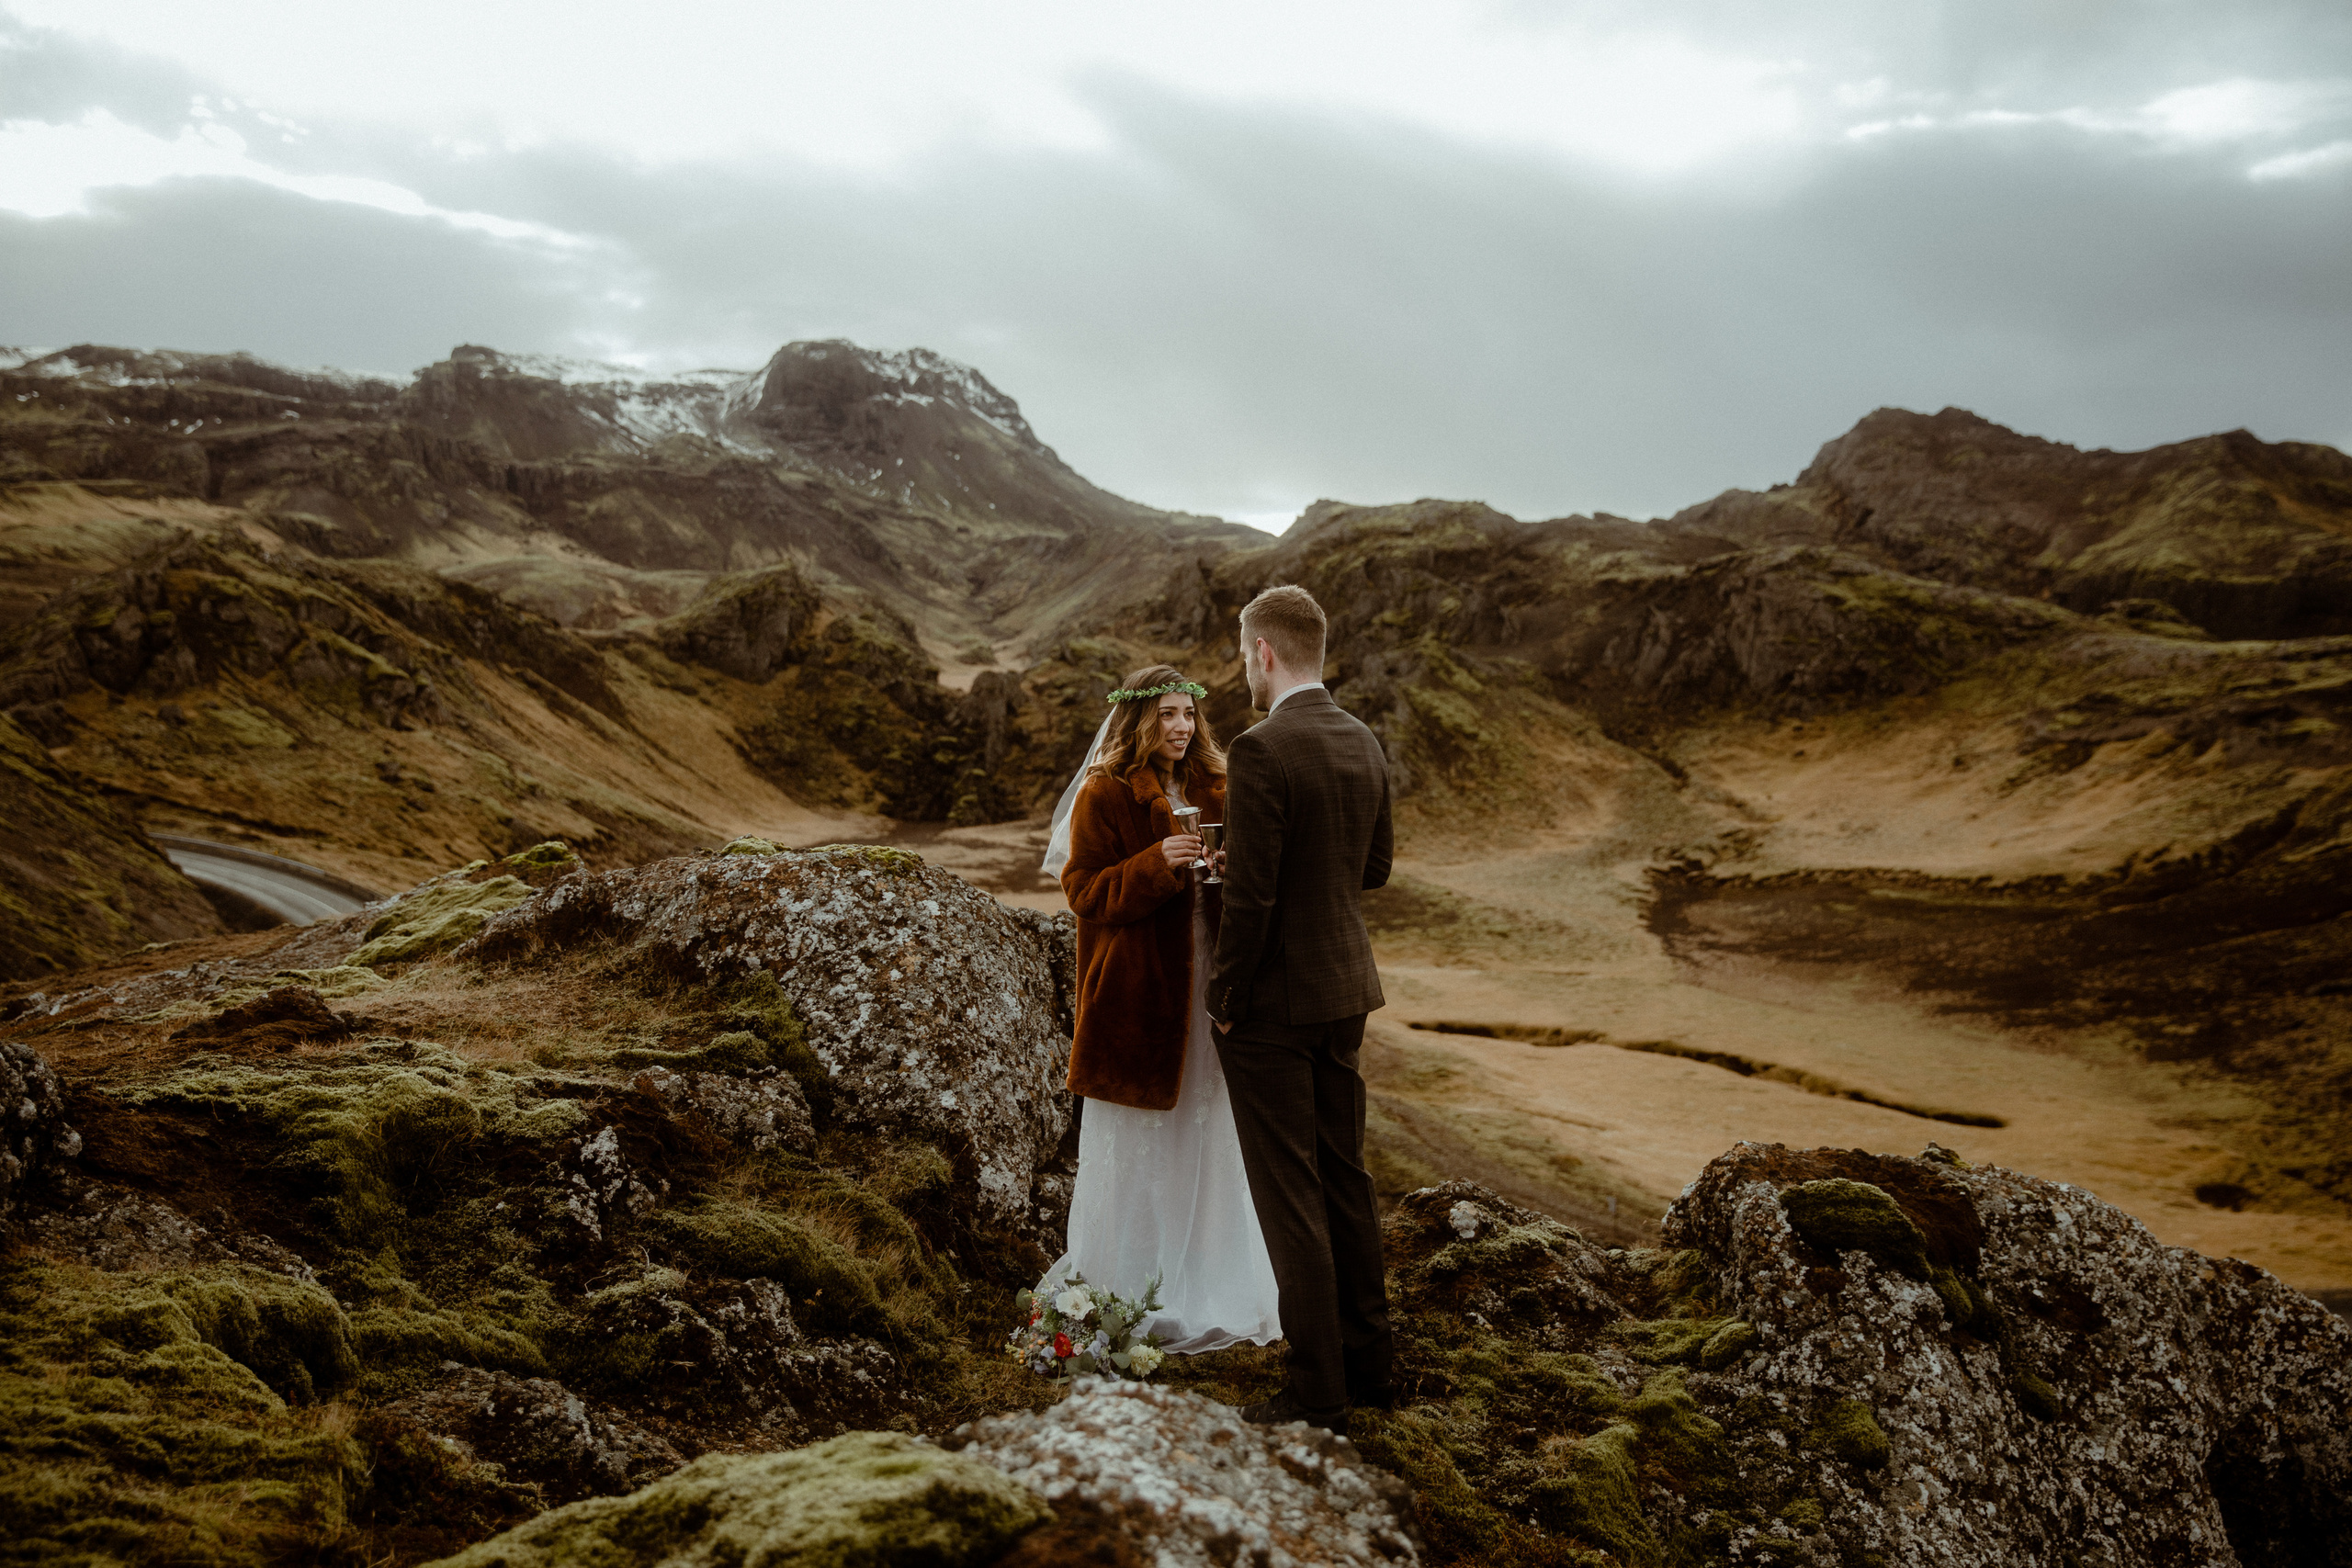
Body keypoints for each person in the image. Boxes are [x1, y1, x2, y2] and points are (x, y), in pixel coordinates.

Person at [1040, 663, 1282, 1353]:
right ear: (1142, 721)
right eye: (1168, 715)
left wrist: (1229, 868)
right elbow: (1083, 890)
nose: (1182, 726)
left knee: (1209, 1134)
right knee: (1142, 1144)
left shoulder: (1217, 784)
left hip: (1208, 988)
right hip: (1138, 999)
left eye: (1188, 714)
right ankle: (1133, 1287)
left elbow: (1247, 875)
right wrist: (1155, 864)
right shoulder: (1104, 792)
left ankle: (1208, 1284)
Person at [1208, 584, 1396, 1431]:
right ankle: (1372, 1363)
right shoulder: (1364, 740)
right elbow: (1376, 867)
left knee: (1291, 1193)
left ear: (1264, 653)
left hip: (1274, 1006)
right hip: (1344, 989)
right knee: (1345, 1176)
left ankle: (1319, 1390)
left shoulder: (1259, 749)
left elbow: (1250, 903)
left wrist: (1225, 997)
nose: (1243, 666)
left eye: (1244, 653)